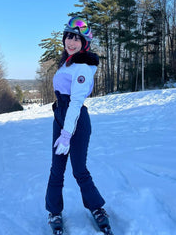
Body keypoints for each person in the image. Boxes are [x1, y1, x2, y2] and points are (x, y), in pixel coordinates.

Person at [45, 17, 112, 235]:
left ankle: (97, 208)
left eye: (77, 38)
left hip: (76, 121)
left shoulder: (83, 66)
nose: (71, 42)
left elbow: (75, 102)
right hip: (60, 118)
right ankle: (54, 211)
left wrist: (66, 134)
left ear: (85, 43)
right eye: (69, 37)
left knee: (79, 169)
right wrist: (60, 123)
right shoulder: (68, 62)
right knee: (56, 169)